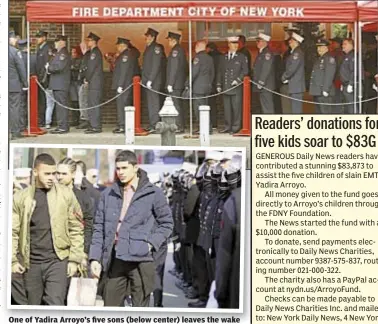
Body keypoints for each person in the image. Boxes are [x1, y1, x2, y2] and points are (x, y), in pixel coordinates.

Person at [89, 150, 173, 307]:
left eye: (124, 168)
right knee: (110, 306)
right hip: (115, 259)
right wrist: (95, 257)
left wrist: (150, 244)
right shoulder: (108, 195)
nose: (120, 172)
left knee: (140, 311)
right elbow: (99, 227)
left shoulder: (153, 193)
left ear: (135, 167)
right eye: (118, 168)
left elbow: (167, 223)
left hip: (141, 260)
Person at [12, 153, 84, 305]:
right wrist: (12, 260)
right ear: (35, 172)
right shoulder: (20, 198)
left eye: (54, 173)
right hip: (31, 263)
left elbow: (76, 228)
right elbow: (12, 232)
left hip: (58, 260)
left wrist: (74, 260)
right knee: (33, 307)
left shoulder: (66, 194)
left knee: (54, 304)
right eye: (47, 174)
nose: (52, 177)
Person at [56, 158, 94, 259]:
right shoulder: (49, 195)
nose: (60, 177)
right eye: (58, 173)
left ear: (73, 174)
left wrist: (85, 251)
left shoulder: (82, 198)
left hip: (75, 250)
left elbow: (89, 226)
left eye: (64, 174)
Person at [216, 36, 248, 135]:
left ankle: (236, 127)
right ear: (229, 45)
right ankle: (227, 126)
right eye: (233, 44)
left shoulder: (241, 57)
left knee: (236, 108)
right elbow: (220, 72)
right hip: (226, 86)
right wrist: (218, 84)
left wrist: (238, 80)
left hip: (236, 87)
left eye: (236, 44)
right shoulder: (223, 57)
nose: (235, 46)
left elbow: (245, 71)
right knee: (227, 108)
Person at [185, 40, 214, 134]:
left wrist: (187, 83)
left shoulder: (197, 58)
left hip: (198, 87)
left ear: (198, 46)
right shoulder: (210, 58)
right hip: (207, 86)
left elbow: (194, 73)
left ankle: (202, 127)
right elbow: (212, 73)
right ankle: (208, 127)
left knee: (198, 109)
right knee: (206, 108)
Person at [111, 37, 139, 134]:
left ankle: (123, 125)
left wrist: (120, 85)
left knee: (122, 105)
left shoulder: (125, 56)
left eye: (118, 45)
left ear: (123, 45)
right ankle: (122, 124)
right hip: (124, 84)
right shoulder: (124, 55)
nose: (117, 47)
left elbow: (124, 72)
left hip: (124, 85)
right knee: (122, 105)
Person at [142, 28, 166, 134]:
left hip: (154, 81)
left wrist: (151, 80)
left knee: (154, 103)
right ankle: (152, 123)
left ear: (152, 37)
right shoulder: (149, 48)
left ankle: (155, 124)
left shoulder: (156, 48)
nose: (146, 39)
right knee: (150, 103)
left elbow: (155, 66)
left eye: (147, 37)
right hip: (148, 80)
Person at [46, 35, 71, 134]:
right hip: (58, 84)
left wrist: (49, 68)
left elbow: (58, 67)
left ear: (61, 42)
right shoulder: (59, 53)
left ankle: (63, 127)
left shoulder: (63, 54)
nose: (55, 44)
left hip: (61, 84)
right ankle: (61, 125)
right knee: (59, 105)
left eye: (56, 42)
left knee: (61, 105)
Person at [166, 31, 188, 133]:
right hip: (179, 82)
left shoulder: (176, 51)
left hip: (176, 83)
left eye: (169, 40)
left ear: (173, 40)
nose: (168, 42)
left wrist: (170, 83)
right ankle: (181, 124)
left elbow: (173, 69)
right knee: (178, 104)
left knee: (176, 105)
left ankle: (179, 126)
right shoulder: (180, 50)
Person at [309, 39, 337, 114]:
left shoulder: (329, 58)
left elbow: (329, 74)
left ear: (326, 48)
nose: (319, 49)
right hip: (318, 91)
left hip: (324, 91)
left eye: (321, 47)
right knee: (319, 113)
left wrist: (326, 89)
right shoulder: (319, 59)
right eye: (318, 47)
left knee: (325, 114)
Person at [84, 32, 104, 134]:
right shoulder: (92, 52)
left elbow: (91, 68)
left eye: (90, 40)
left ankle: (96, 126)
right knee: (91, 104)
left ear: (94, 41)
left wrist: (86, 79)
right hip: (94, 82)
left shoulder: (95, 53)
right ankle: (93, 125)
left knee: (94, 104)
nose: (88, 42)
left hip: (94, 83)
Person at [9, 31, 28, 140]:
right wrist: (25, 83)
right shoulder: (15, 52)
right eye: (14, 38)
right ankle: (15, 131)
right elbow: (21, 69)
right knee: (14, 108)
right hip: (13, 85)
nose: (16, 40)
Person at [281, 32, 305, 114]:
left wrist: (284, 77)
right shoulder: (294, 52)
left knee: (296, 110)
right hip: (294, 85)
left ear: (296, 42)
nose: (289, 42)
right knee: (294, 109)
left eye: (291, 40)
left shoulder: (297, 53)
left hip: (296, 86)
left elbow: (292, 68)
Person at [253, 33, 275, 114]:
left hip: (265, 85)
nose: (257, 43)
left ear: (264, 42)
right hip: (262, 85)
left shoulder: (267, 53)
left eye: (258, 41)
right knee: (264, 106)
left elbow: (266, 68)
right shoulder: (261, 53)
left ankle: (269, 124)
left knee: (267, 106)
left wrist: (261, 81)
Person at [206, 43, 223, 131]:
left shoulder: (208, 57)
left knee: (210, 103)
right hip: (220, 82)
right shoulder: (221, 56)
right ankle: (215, 123)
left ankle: (211, 123)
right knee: (218, 104)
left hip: (210, 83)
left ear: (209, 49)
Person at [35, 30, 50, 127]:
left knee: (43, 101)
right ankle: (41, 119)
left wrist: (43, 78)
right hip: (39, 78)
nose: (37, 39)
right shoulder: (40, 48)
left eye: (39, 37)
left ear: (44, 38)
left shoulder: (46, 49)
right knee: (40, 100)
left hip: (44, 80)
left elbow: (46, 65)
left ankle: (43, 120)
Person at [340, 38, 357, 114]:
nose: (343, 46)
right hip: (345, 84)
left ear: (351, 45)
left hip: (350, 85)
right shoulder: (347, 56)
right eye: (343, 44)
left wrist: (351, 84)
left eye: (345, 44)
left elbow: (355, 71)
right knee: (346, 107)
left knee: (351, 108)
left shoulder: (353, 55)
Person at [70, 46, 83, 126]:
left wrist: (73, 67)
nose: (73, 54)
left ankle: (80, 119)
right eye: (72, 52)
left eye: (74, 52)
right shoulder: (70, 60)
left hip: (78, 82)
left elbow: (78, 68)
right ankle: (75, 119)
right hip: (72, 82)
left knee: (80, 101)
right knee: (74, 101)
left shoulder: (80, 60)